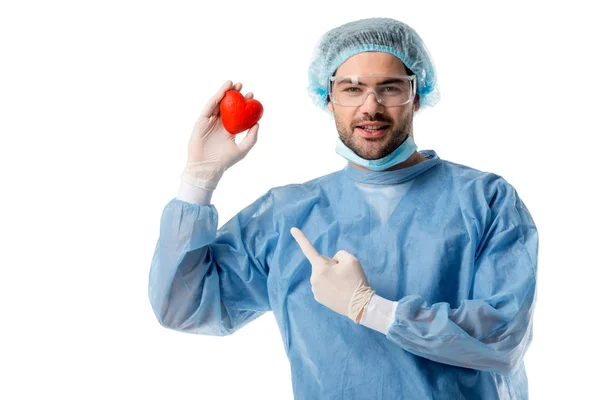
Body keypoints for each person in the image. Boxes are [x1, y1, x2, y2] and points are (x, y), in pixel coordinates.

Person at [148, 17, 538, 399]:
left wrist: (371, 308)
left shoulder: (486, 201)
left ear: (417, 96)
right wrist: (198, 180)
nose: (371, 106)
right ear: (327, 97)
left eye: (389, 88)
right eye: (351, 89)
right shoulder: (287, 215)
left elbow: (503, 337)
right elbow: (184, 305)